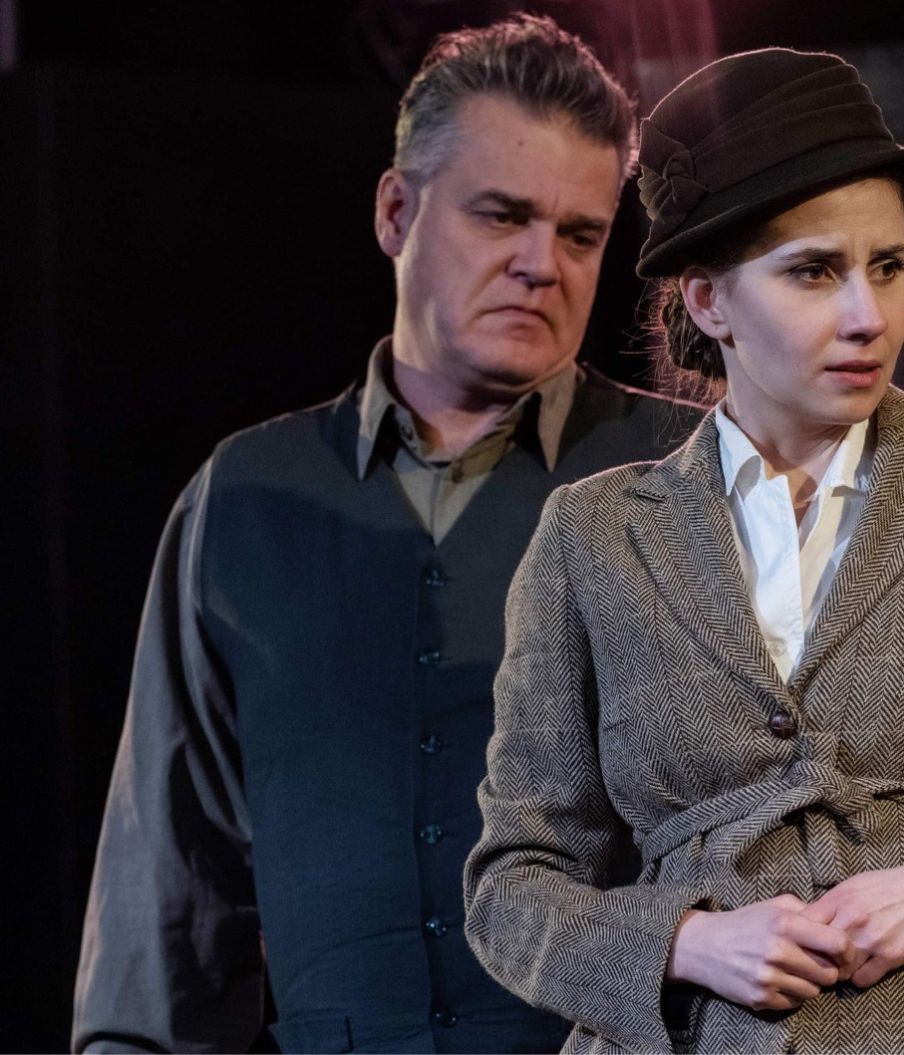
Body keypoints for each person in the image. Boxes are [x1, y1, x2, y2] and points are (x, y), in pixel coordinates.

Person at [463, 47, 904, 1053]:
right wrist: (686, 941)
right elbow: (512, 886)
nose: (865, 316)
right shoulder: (593, 535)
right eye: (813, 271)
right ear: (708, 301)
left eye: (887, 267)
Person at [72, 15, 699, 1054]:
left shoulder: (690, 475)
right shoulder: (243, 499)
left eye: (580, 234)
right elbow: (170, 900)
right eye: (502, 216)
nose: (540, 264)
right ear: (396, 210)